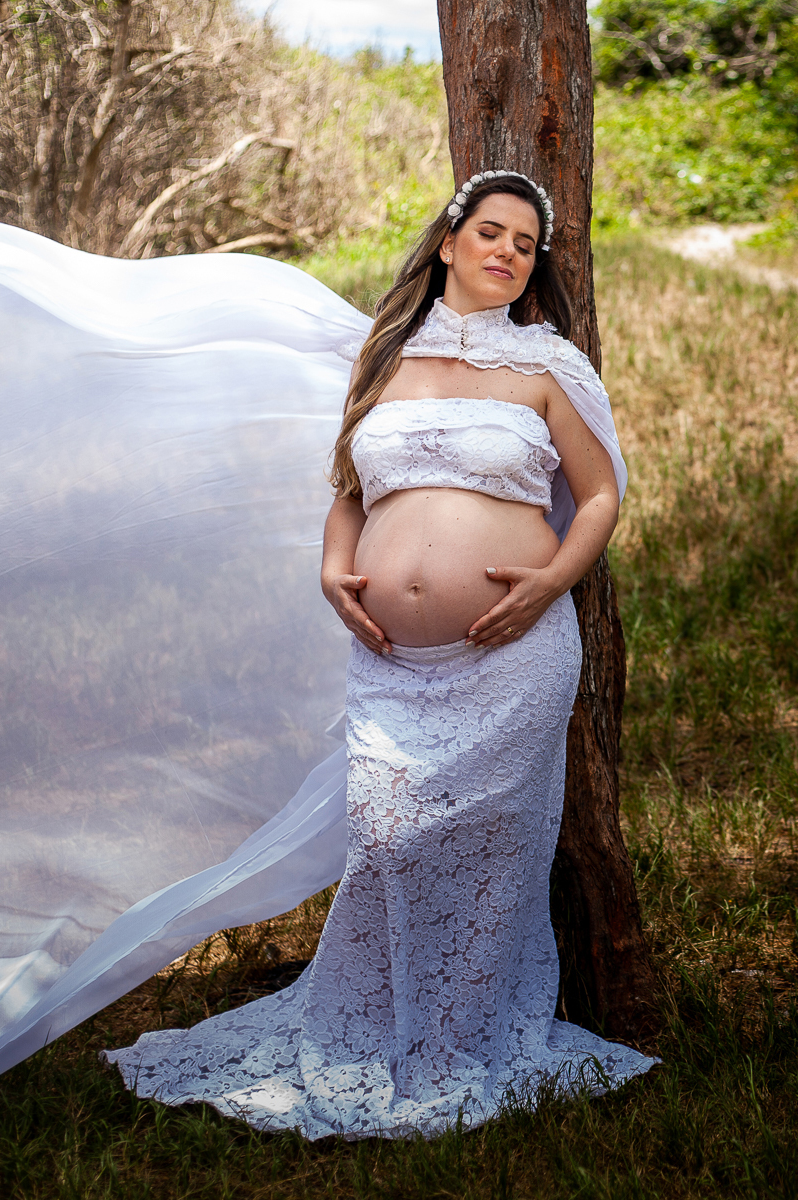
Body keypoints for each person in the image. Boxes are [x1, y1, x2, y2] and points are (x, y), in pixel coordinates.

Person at [101, 170, 657, 1139]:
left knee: (489, 863)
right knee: (388, 844)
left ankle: (456, 1047)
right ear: (448, 243)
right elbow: (350, 488)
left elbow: (599, 494)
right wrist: (331, 569)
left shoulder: (546, 365)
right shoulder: (386, 359)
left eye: (523, 246)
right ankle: (374, 1035)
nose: (505, 253)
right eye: (488, 232)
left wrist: (550, 580)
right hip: (394, 669)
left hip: (513, 655)